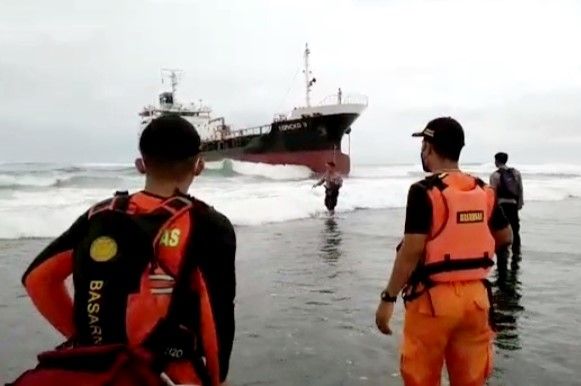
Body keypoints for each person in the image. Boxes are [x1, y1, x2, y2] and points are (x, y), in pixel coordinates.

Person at [12, 115, 236, 386]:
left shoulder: (99, 214)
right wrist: (216, 378)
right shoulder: (208, 224)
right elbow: (215, 317)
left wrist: (86, 340)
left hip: (95, 372)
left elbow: (38, 280)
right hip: (168, 373)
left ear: (141, 165)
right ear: (198, 166)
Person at [375, 117, 512, 386]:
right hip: (477, 300)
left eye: (424, 145)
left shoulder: (423, 191)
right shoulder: (484, 191)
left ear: (428, 147)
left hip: (432, 302)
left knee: (421, 378)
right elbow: (505, 236)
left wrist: (388, 298)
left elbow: (411, 250)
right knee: (471, 379)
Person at [490, 152, 523, 257]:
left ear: (496, 161)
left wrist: (492, 209)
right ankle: (516, 253)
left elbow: (492, 193)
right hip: (513, 205)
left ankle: (503, 255)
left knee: (501, 230)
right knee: (515, 230)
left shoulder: (495, 175)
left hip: (501, 206)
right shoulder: (516, 173)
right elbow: (520, 189)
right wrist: (519, 204)